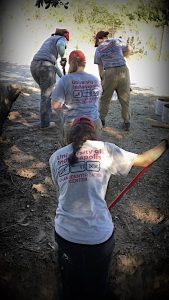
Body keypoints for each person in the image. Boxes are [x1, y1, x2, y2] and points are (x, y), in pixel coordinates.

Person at [49, 116, 169, 300]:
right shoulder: (106, 149)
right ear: (93, 134)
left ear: (70, 135)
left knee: (71, 283)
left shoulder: (55, 157)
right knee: (97, 284)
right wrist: (165, 143)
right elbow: (145, 160)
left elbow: (63, 193)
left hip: (66, 234)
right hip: (98, 238)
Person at [51, 49, 102, 144]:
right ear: (84, 63)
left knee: (70, 152)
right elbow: (97, 98)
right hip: (94, 122)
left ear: (70, 63)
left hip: (73, 124)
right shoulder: (95, 79)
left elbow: (55, 106)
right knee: (94, 152)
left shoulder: (64, 80)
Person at [30, 28, 69, 129]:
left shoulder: (49, 40)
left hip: (34, 65)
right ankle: (45, 124)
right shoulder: (61, 39)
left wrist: (63, 77)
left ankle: (47, 114)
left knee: (46, 94)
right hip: (46, 67)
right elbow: (61, 45)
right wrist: (63, 57)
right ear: (65, 35)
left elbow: (54, 65)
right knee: (46, 97)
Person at [94, 30, 133, 131]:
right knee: (125, 98)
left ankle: (101, 121)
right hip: (123, 70)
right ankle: (127, 122)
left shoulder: (98, 49)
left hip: (109, 72)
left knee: (105, 99)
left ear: (99, 40)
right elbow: (129, 48)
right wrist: (121, 55)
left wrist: (103, 80)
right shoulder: (117, 41)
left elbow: (100, 69)